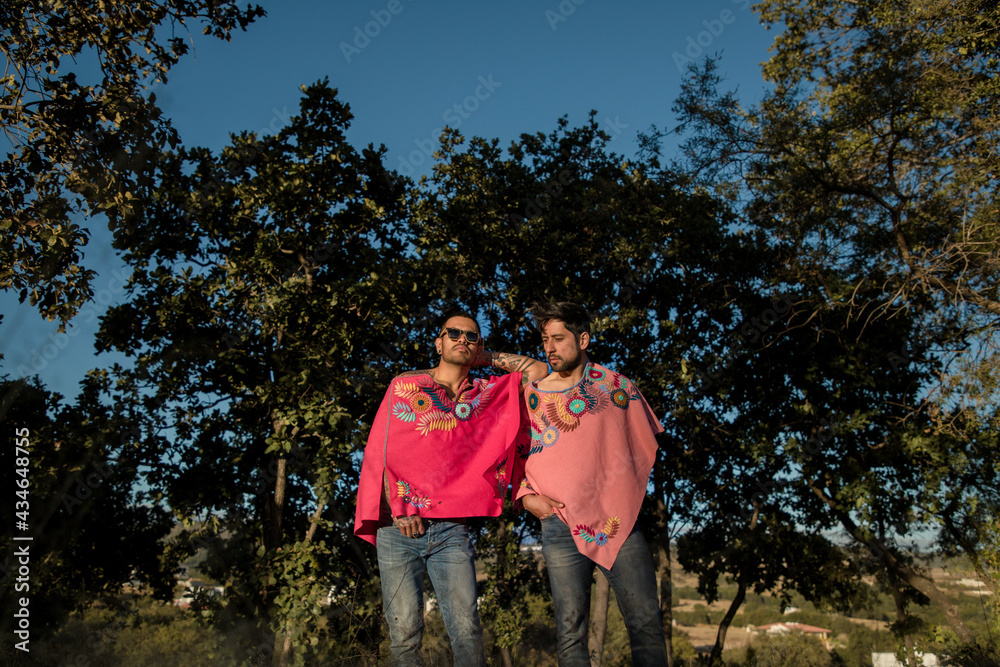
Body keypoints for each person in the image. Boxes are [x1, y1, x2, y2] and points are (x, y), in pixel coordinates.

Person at [355, 309, 546, 667]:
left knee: (466, 632)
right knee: (405, 636)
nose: (462, 339)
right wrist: (398, 511)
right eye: (454, 333)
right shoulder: (407, 386)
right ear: (438, 341)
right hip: (397, 529)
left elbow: (537, 371)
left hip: (451, 530)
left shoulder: (483, 393)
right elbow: (382, 453)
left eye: (471, 336)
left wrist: (481, 357)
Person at [515, 301, 667, 667]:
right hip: (559, 523)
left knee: (646, 624)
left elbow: (643, 443)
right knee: (570, 633)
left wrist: (621, 493)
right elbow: (514, 453)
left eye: (558, 338)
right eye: (545, 340)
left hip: (618, 523)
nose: (550, 348)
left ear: (583, 339)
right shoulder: (531, 396)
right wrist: (526, 497)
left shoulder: (615, 387)